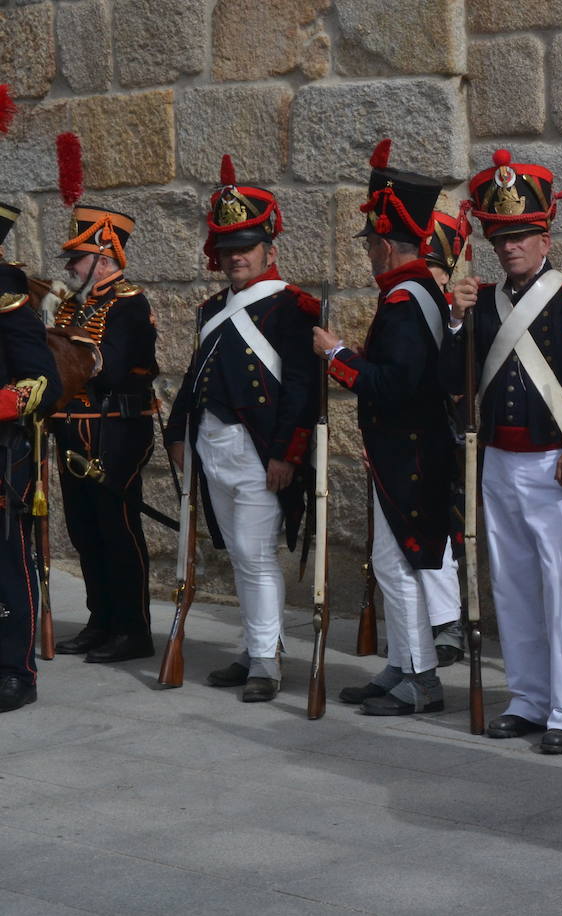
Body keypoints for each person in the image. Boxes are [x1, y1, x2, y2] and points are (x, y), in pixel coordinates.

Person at [442, 149, 562, 754]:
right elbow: (453, 378)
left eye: (521, 235)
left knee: (561, 586)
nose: (510, 247)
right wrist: (453, 323)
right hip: (499, 459)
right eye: (501, 237)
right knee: (515, 584)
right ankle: (527, 698)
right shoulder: (482, 304)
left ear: (545, 236)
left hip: (559, 464)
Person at [165, 157, 318, 702]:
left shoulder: (291, 309)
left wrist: (285, 454)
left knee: (255, 557)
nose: (236, 257)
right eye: (228, 248)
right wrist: (178, 434)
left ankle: (267, 664)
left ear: (269, 250)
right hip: (214, 447)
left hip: (259, 454)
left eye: (246, 247)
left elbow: (302, 391)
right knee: (238, 555)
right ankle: (258, 649)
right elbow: (194, 380)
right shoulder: (212, 309)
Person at [314, 140, 454, 716]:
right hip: (403, 450)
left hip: (410, 450)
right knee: (393, 558)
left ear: (384, 243)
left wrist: (335, 355)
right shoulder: (410, 292)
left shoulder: (404, 299)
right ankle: (404, 663)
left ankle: (421, 676)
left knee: (401, 562)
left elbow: (394, 383)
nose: (367, 252)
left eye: (371, 242)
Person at [49, 204, 159, 664]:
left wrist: (58, 349)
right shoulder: (76, 306)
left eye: (78, 257)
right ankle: (101, 620)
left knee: (117, 529)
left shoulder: (129, 304)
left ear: (105, 255)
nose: (71, 266)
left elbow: (108, 369)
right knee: (84, 530)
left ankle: (132, 629)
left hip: (115, 430)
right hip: (72, 430)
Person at [0, 201, 62, 711]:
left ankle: (14, 669)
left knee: (6, 562)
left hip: (1, 453)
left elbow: (42, 380)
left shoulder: (8, 294)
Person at [418, 209, 470, 669]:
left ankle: (449, 623)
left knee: (446, 531)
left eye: (433, 272)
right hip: (405, 436)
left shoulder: (459, 313)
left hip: (448, 435)